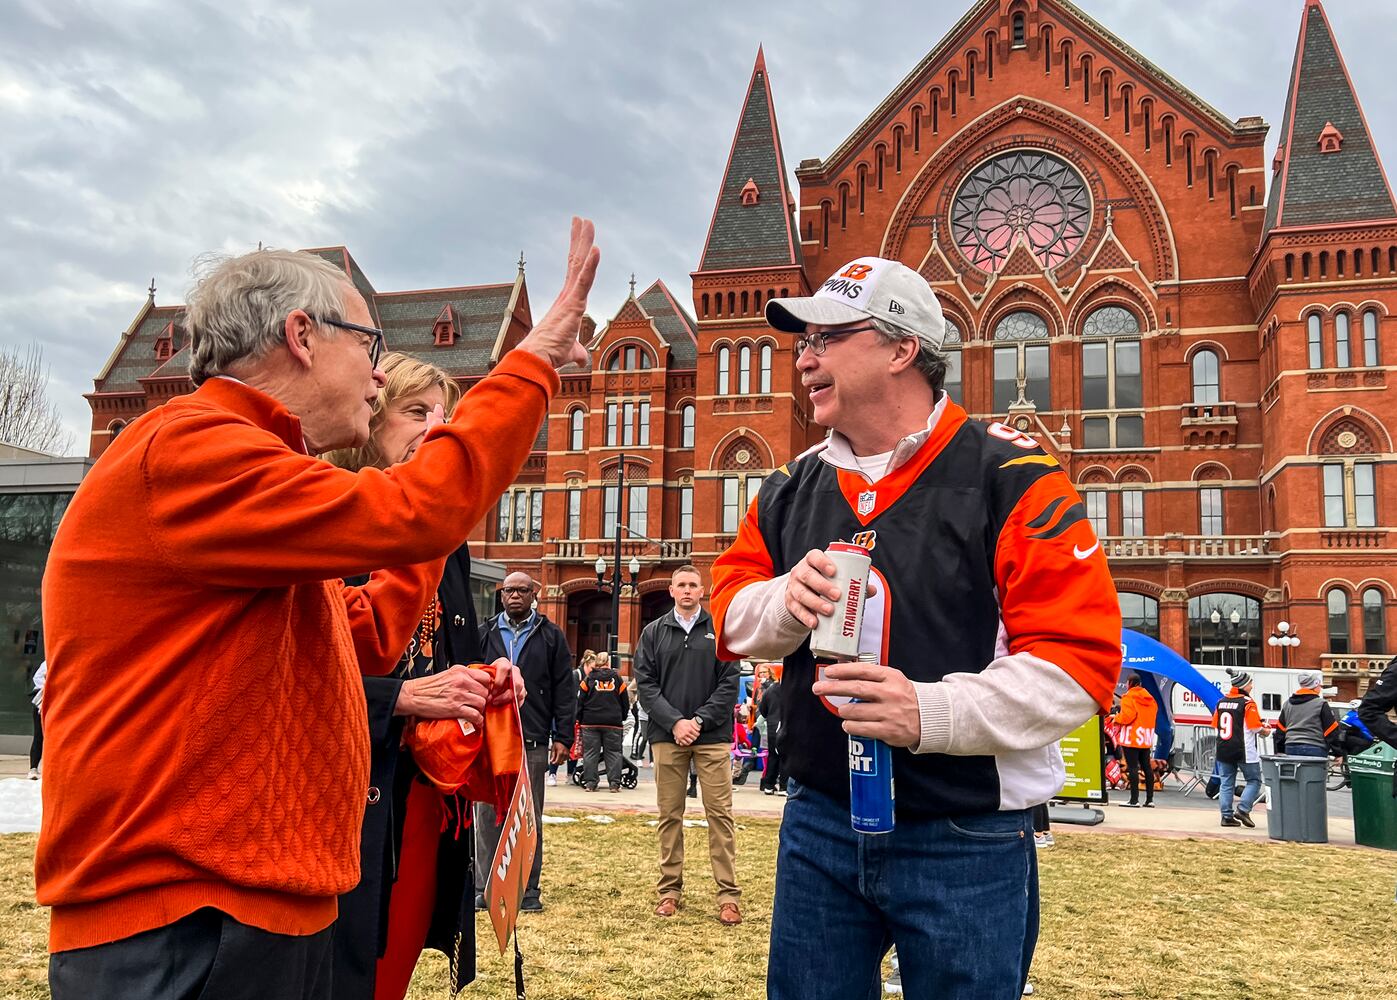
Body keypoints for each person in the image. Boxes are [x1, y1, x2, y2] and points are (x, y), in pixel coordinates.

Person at [36, 222, 599, 1000]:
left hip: (248, 909)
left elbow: (362, 637)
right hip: (182, 921)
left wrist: (425, 511)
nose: (378, 378)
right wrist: (529, 365)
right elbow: (411, 515)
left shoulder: (253, 464)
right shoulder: (194, 449)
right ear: (301, 335)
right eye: (369, 347)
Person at [710, 256, 1120, 999]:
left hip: (963, 833)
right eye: (802, 342)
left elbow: (1077, 667)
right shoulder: (791, 481)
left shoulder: (1014, 476)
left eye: (826, 338)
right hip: (819, 820)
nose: (803, 358)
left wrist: (924, 713)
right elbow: (733, 617)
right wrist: (782, 604)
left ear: (901, 350)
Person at [322, 353, 497, 1000]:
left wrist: (489, 680)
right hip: (346, 799)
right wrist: (401, 698)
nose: (436, 428)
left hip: (422, 798)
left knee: (391, 965)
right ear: (369, 419)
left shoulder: (449, 537)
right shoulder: (331, 515)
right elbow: (293, 671)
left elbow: (455, 655)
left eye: (445, 415)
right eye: (417, 412)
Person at [633, 565, 743, 926]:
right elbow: (646, 685)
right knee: (669, 816)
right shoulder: (653, 632)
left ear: (702, 591)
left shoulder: (720, 630)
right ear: (671, 590)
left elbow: (729, 685)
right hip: (668, 737)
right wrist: (675, 722)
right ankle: (669, 891)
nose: (686, 590)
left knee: (720, 816)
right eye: (680, 585)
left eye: (693, 585)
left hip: (711, 738)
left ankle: (728, 896)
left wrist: (697, 721)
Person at [475, 571, 576, 912]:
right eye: (508, 590)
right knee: (486, 815)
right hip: (488, 739)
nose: (514, 595)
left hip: (532, 739)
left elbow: (565, 689)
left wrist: (563, 736)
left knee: (528, 816)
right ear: (500, 595)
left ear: (535, 594)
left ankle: (528, 889)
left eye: (522, 590)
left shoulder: (551, 636)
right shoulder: (484, 634)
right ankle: (484, 885)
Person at [1212, 668, 1269, 828]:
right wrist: (1266, 730)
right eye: (1250, 683)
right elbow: (1255, 727)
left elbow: (1214, 723)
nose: (1252, 686)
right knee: (1254, 780)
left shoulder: (1221, 702)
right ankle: (1243, 809)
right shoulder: (1247, 703)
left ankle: (1226, 816)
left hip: (1223, 748)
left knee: (1226, 782)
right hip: (1244, 749)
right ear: (1243, 685)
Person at [577, 648, 630, 792]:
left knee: (590, 753)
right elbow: (625, 700)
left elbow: (580, 701)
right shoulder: (617, 679)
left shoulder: (588, 679)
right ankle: (614, 784)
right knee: (613, 753)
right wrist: (622, 716)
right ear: (608, 662)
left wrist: (579, 718)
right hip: (613, 722)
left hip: (590, 721)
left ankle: (590, 783)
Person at [1112, 675, 1158, 807]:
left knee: (1132, 768)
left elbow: (1127, 717)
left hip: (1132, 737)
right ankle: (1149, 800)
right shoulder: (1150, 698)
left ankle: (1134, 800)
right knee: (1147, 767)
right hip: (1145, 737)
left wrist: (1116, 718)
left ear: (1130, 683)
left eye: (1127, 683)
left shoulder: (1128, 697)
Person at [550, 651, 594, 786]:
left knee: (575, 747)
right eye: (592, 668)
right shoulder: (575, 676)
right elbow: (569, 699)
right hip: (565, 717)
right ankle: (552, 773)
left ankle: (571, 773)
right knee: (559, 745)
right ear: (586, 664)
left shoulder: (588, 679)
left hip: (576, 718)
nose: (593, 671)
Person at [1273, 670, 1339, 758]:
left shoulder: (1287, 704)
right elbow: (1330, 729)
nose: (1320, 688)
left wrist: (1280, 750)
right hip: (1315, 747)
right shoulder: (1321, 704)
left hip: (1291, 747)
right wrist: (1338, 753)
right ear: (1315, 686)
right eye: (1319, 686)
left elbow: (1280, 730)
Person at [758, 668, 786, 796]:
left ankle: (768, 785)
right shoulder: (791, 689)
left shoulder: (770, 690)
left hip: (772, 727)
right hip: (787, 725)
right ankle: (784, 786)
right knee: (786, 756)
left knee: (773, 756)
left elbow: (762, 709)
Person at [28, 660, 45, 780]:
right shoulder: (48, 662)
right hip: (42, 702)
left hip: (59, 702)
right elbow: (38, 678)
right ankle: (33, 768)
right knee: (39, 736)